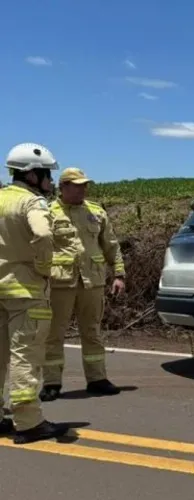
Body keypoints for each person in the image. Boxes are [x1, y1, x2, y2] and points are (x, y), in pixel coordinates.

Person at [0, 142, 69, 444]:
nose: (50, 182)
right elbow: (42, 234)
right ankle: (28, 423)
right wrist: (43, 267)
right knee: (25, 357)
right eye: (46, 176)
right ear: (31, 175)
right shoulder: (32, 203)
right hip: (25, 293)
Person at [40, 167, 125, 401]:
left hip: (92, 282)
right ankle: (52, 383)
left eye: (85, 185)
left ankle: (97, 379)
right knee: (53, 334)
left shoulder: (96, 212)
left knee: (92, 332)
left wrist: (119, 274)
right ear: (63, 187)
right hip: (60, 283)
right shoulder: (47, 212)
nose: (83, 189)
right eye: (77, 185)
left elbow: (111, 245)